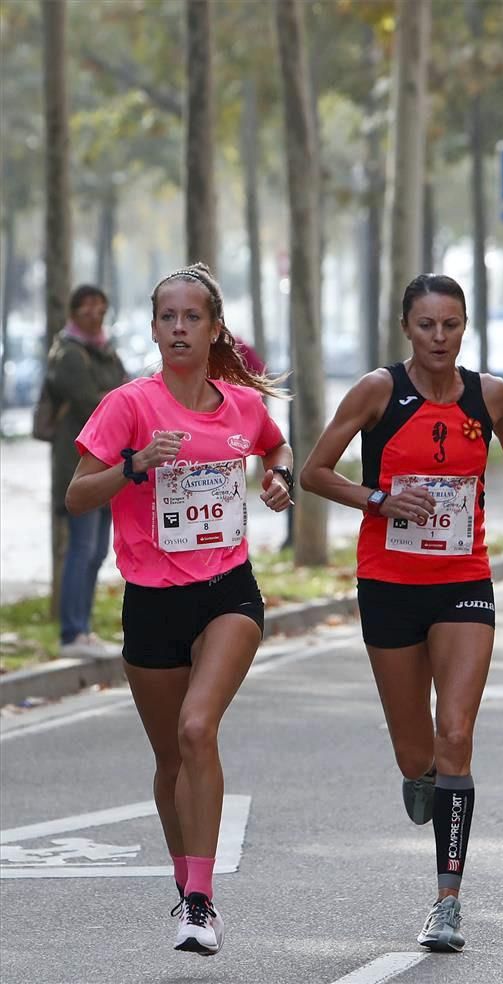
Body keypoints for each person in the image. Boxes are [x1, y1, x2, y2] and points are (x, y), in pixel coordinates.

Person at [300, 273, 503, 953]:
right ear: (406, 328)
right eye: (426, 326)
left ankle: (447, 902)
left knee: (457, 734)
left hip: (464, 578)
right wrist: (378, 500)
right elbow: (314, 471)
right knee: (419, 754)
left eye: (451, 325)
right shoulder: (379, 392)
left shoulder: (487, 394)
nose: (439, 338)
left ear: (465, 326)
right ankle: (424, 777)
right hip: (389, 583)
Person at [65, 262, 293, 957]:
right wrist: (134, 466)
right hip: (153, 601)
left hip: (227, 591)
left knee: (199, 728)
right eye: (168, 317)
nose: (180, 328)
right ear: (155, 328)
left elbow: (274, 443)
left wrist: (280, 478)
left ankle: (202, 902)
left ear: (214, 328)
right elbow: (78, 495)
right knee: (170, 757)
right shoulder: (129, 406)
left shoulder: (239, 407)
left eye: (193, 317)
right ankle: (185, 883)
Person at [46, 285, 127, 656]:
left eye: (100, 307)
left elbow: (127, 393)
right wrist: (121, 405)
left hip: (112, 464)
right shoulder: (69, 354)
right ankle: (71, 633)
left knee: (96, 551)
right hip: (80, 465)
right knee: (81, 547)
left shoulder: (105, 350)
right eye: (87, 308)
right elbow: (90, 403)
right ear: (74, 312)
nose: (95, 315)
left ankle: (84, 628)